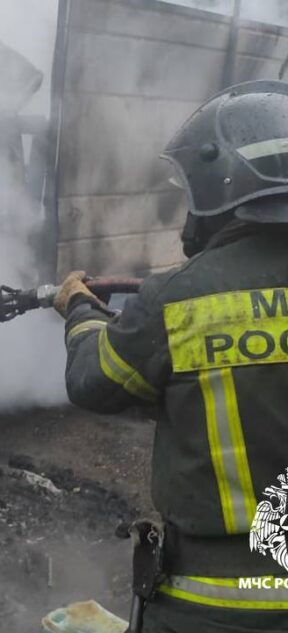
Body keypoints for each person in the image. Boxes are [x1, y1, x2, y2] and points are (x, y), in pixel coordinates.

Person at [56, 80, 288, 633]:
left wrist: (80, 311)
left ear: (216, 184)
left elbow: (94, 381)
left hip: (219, 603)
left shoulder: (179, 297)